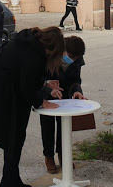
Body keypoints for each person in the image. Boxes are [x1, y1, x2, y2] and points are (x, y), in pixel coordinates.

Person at [0, 27, 65, 187]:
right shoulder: (35, 54)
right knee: (14, 139)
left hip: (1, 90)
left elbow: (24, 73)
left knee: (13, 140)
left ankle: (11, 180)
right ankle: (10, 181)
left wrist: (45, 83)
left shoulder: (27, 41)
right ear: (51, 48)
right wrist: (41, 102)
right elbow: (26, 85)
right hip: (8, 96)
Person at [39, 35, 87, 174]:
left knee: (64, 125)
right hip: (47, 94)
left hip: (65, 96)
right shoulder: (49, 55)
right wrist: (48, 89)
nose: (72, 60)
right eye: (70, 57)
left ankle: (63, 154)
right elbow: (37, 77)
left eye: (75, 58)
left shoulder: (77, 59)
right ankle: (48, 156)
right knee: (47, 126)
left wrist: (76, 91)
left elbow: (76, 79)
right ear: (63, 50)